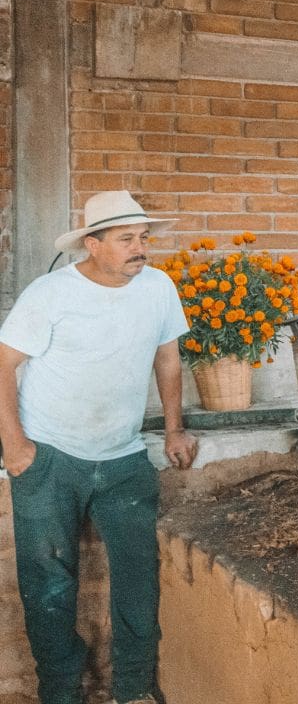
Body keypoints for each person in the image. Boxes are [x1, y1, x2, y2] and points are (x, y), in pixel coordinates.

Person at [0, 191, 199, 704]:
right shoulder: (49, 294)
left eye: (144, 238)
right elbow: (2, 365)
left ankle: (133, 688)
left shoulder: (158, 287)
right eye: (127, 239)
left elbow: (169, 361)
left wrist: (174, 430)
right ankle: (59, 692)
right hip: (49, 459)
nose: (141, 249)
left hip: (124, 459)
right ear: (92, 244)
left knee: (138, 580)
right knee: (48, 586)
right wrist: (16, 448)